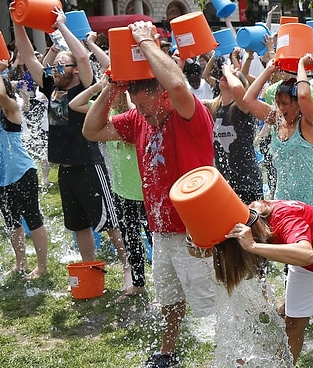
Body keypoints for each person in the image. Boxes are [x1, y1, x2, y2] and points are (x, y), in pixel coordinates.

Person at [83, 20, 217, 368]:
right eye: (137, 108)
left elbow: (176, 81)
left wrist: (145, 41)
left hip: (196, 229)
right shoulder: (139, 119)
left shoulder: (190, 114)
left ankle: (230, 353)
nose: (141, 115)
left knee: (212, 302)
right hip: (160, 228)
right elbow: (92, 129)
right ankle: (168, 352)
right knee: (170, 297)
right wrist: (112, 88)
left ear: (162, 95)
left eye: (145, 106)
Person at [11, 5, 125, 263]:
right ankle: (90, 268)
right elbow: (28, 56)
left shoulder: (84, 84)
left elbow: (83, 58)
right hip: (65, 167)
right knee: (78, 225)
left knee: (110, 223)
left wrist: (61, 25)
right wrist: (18, 22)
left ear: (74, 69)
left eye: (61, 65)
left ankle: (131, 269)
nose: (54, 69)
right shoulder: (52, 87)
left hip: (89, 163)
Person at [214, 200, 313, 367]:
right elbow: (199, 250)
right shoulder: (244, 221)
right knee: (292, 325)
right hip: (307, 262)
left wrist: (253, 246)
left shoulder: (284, 218)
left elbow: (306, 254)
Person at [243, 54, 313, 323]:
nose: (281, 108)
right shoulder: (275, 122)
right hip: (284, 204)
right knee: (290, 258)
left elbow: (307, 97)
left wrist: (300, 67)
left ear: (297, 102)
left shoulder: (309, 123)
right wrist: (270, 69)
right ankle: (294, 304)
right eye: (279, 103)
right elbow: (249, 100)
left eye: (286, 103)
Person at [69, 76, 150, 298]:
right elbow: (74, 104)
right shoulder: (106, 117)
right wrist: (100, 88)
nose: (108, 101)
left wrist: (120, 86)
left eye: (112, 96)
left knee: (154, 240)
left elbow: (133, 108)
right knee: (131, 240)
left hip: (143, 192)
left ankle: (165, 289)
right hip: (122, 191)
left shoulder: (133, 117)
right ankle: (138, 283)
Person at [0, 60, 49, 280]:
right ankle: (21, 262)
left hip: (22, 173)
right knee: (11, 221)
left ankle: (41, 266)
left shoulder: (11, 108)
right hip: (0, 178)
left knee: (33, 218)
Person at [203, 63, 263, 203]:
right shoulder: (213, 108)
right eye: (223, 75)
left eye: (233, 76)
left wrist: (228, 71)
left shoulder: (242, 108)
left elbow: (237, 88)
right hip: (225, 184)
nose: (225, 76)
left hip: (248, 182)